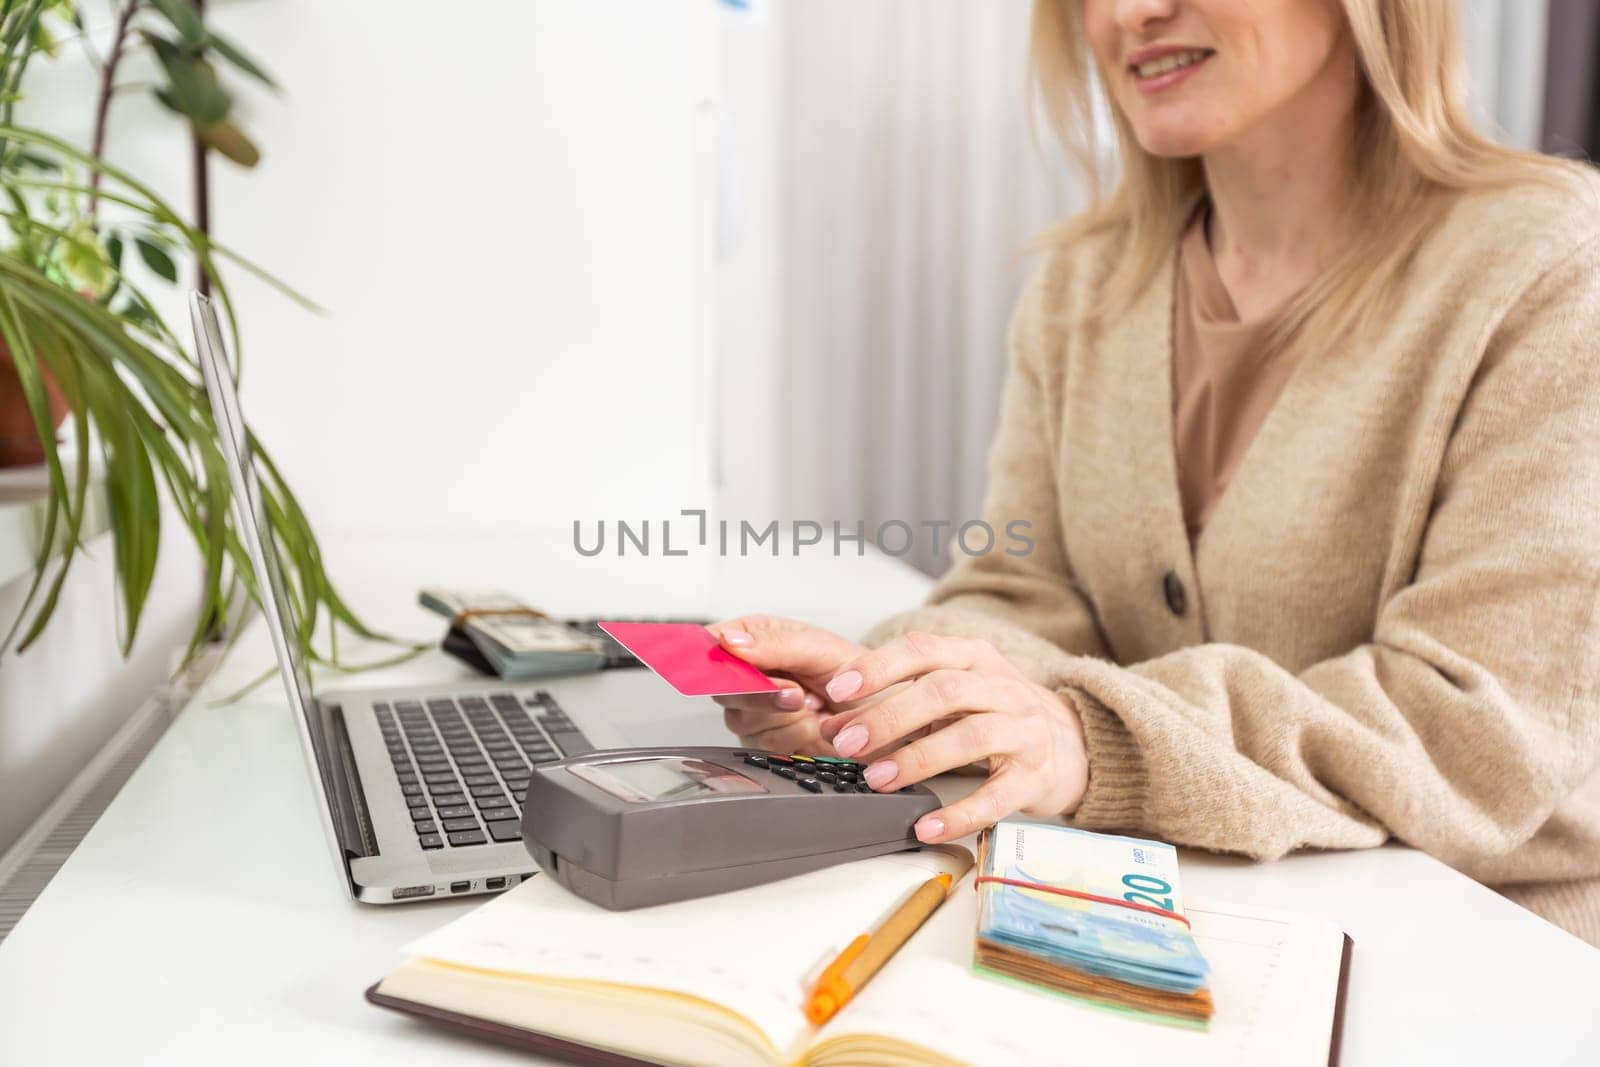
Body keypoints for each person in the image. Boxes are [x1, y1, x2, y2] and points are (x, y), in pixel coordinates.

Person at [711, 0, 1600, 948]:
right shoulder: (1082, 284)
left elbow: (1473, 734)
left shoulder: (1551, 268)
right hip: (1152, 917)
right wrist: (898, 694)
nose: (1131, 13)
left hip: (1479, 953)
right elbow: (1022, 595)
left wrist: (1086, 737)